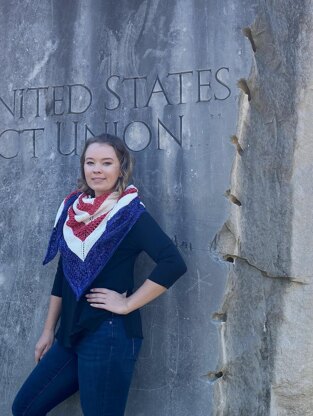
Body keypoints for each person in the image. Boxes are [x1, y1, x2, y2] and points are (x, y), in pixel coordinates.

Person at [12, 133, 187, 416]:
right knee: (25, 407)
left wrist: (127, 304)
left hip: (109, 335)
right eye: (90, 162)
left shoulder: (129, 214)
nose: (97, 170)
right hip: (69, 334)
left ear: (121, 168)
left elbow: (173, 262)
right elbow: (63, 274)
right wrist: (48, 331)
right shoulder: (71, 211)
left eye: (107, 163)